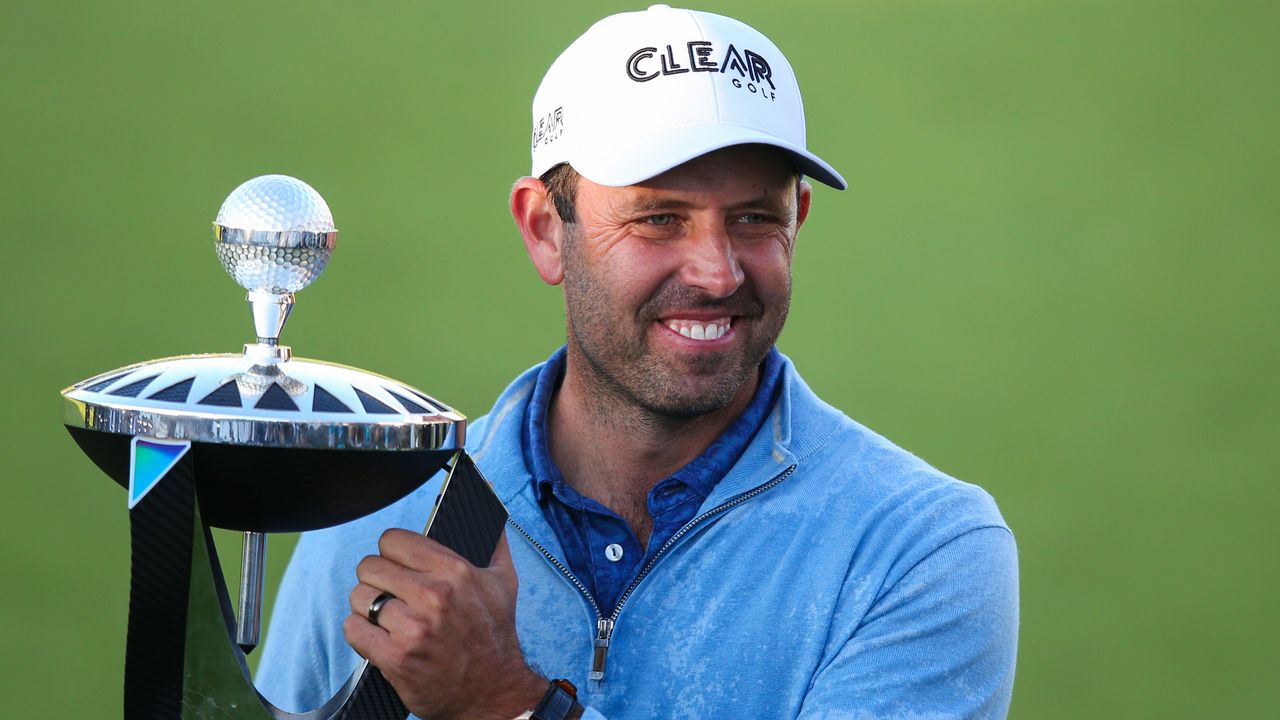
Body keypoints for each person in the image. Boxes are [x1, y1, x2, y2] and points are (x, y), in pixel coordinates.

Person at [256, 6, 1019, 719]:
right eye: (659, 218)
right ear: (545, 230)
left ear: (799, 221)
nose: (718, 273)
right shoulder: (377, 527)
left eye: (755, 218)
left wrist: (506, 704)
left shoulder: (919, 549)